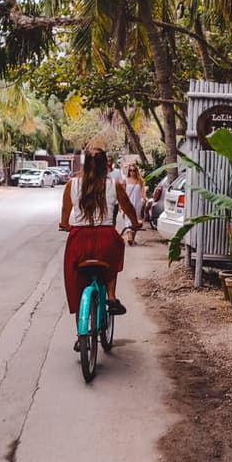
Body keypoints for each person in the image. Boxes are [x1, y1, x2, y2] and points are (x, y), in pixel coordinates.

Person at [61, 148, 141, 351]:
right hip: (105, 238)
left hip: (79, 239)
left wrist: (65, 225)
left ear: (84, 164)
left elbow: (64, 215)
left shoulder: (72, 184)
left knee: (78, 285)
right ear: (106, 164)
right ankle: (111, 296)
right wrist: (135, 223)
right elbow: (128, 208)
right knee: (115, 251)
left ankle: (80, 335)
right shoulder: (114, 185)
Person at [123, 164, 146, 245]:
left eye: (134, 170)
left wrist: (143, 199)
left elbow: (143, 192)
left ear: (136, 171)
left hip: (137, 203)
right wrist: (121, 205)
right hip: (128, 203)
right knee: (128, 220)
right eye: (130, 170)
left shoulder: (140, 181)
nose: (132, 172)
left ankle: (132, 239)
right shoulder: (125, 180)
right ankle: (130, 237)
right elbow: (123, 193)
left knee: (135, 221)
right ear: (128, 171)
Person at [107, 156, 124, 225]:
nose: (109, 162)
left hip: (115, 201)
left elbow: (121, 185)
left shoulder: (117, 172)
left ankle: (112, 230)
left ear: (112, 162)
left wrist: (120, 202)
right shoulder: (101, 173)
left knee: (113, 218)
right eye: (107, 161)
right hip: (104, 201)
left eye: (110, 160)